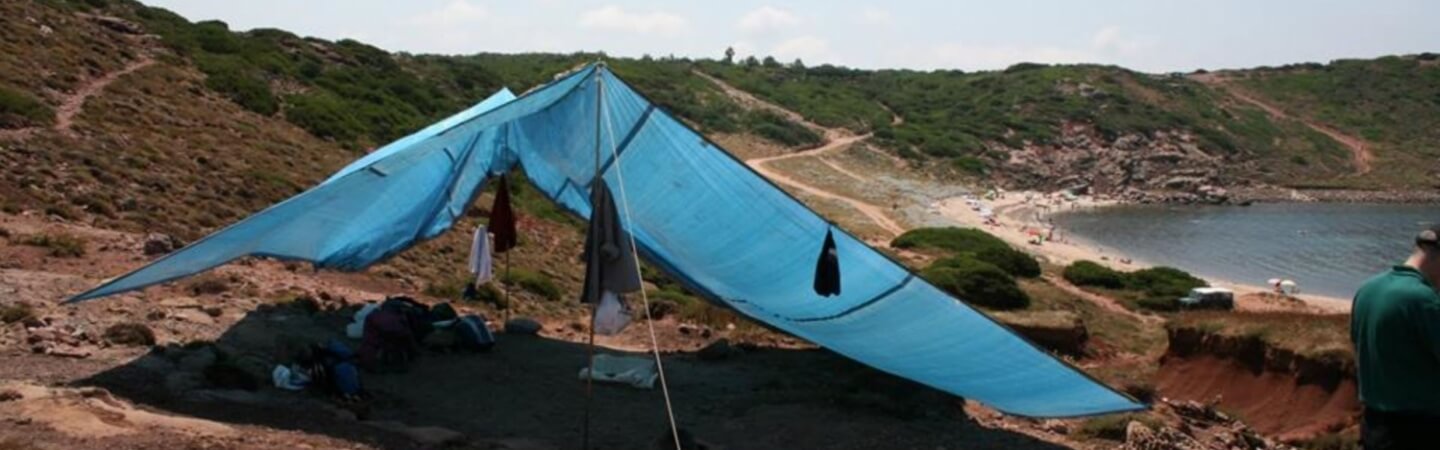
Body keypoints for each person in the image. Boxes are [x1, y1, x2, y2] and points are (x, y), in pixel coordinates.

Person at [1351, 224, 1440, 449]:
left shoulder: (1368, 289)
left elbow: (1357, 347)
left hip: (1374, 424)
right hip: (1416, 429)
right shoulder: (1423, 300)